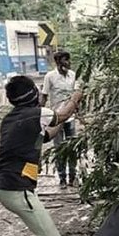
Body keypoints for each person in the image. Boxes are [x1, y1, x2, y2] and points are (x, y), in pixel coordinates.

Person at [0, 75, 82, 236]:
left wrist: (66, 112)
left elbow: (46, 135)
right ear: (33, 94)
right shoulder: (36, 113)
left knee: (44, 231)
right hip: (16, 187)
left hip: (8, 185)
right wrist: (76, 96)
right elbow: (61, 116)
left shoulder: (13, 118)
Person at [41, 50, 80, 187]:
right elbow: (44, 96)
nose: (68, 63)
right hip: (55, 118)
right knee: (59, 148)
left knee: (72, 147)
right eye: (65, 60)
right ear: (58, 62)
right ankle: (62, 177)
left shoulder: (73, 75)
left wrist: (78, 109)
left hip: (70, 117)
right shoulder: (50, 77)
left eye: (69, 60)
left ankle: (73, 176)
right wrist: (40, 115)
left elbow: (76, 94)